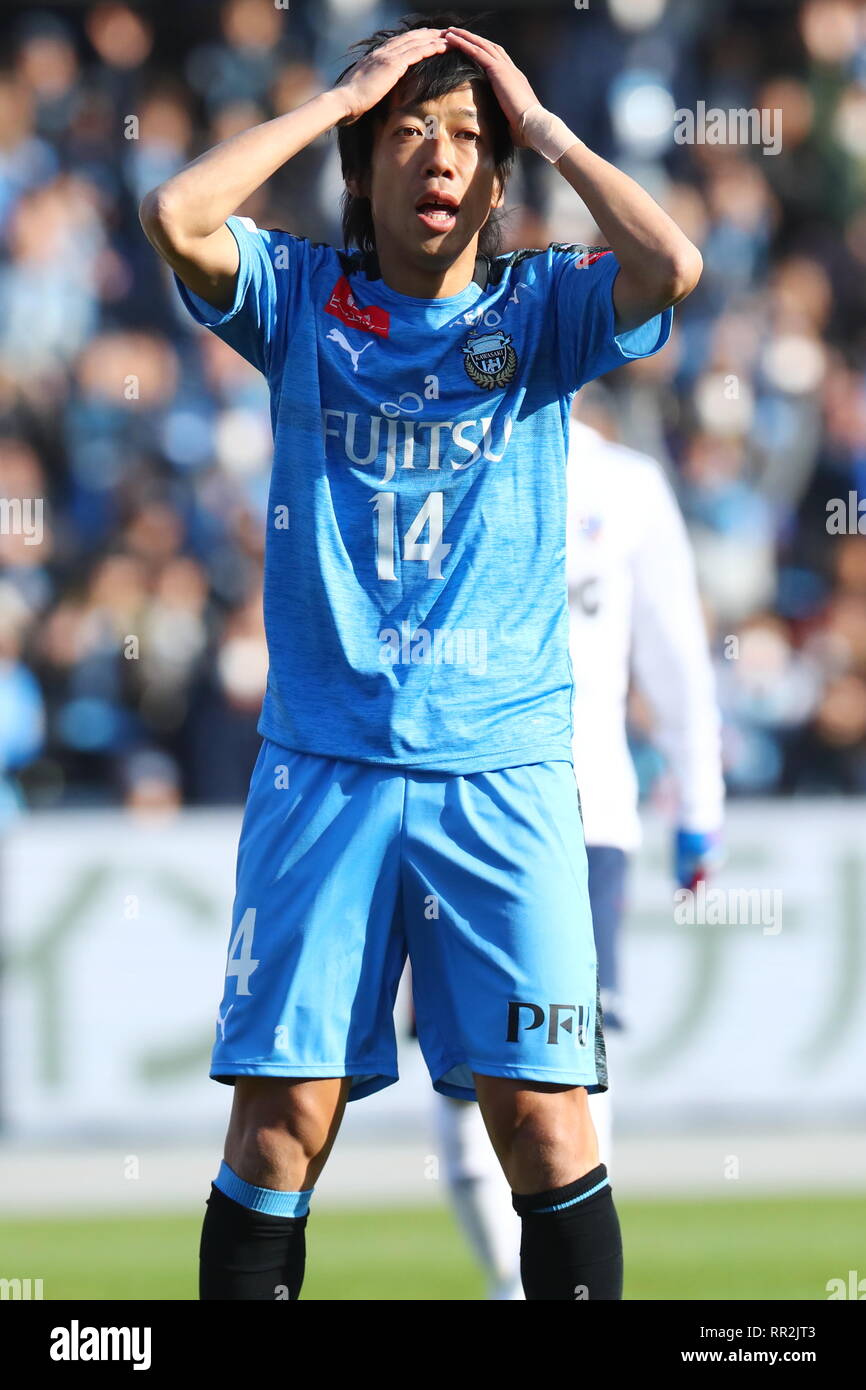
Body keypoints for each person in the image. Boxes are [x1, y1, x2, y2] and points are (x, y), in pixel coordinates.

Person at [139, 12, 701, 1301]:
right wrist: (339, 100)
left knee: (545, 1123)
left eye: (464, 138)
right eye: (408, 131)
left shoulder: (543, 308)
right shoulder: (296, 300)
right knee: (280, 1126)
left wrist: (544, 124)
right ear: (363, 166)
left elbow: (669, 262)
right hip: (323, 773)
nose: (437, 156)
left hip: (498, 773)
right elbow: (175, 211)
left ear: (498, 181)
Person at [435, 399, 725, 1298]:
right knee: (464, 1071)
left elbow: (675, 645)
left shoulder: (628, 485)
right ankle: (513, 1286)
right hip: (455, 802)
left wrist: (699, 800)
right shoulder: (450, 457)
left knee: (567, 1073)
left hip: (582, 810)